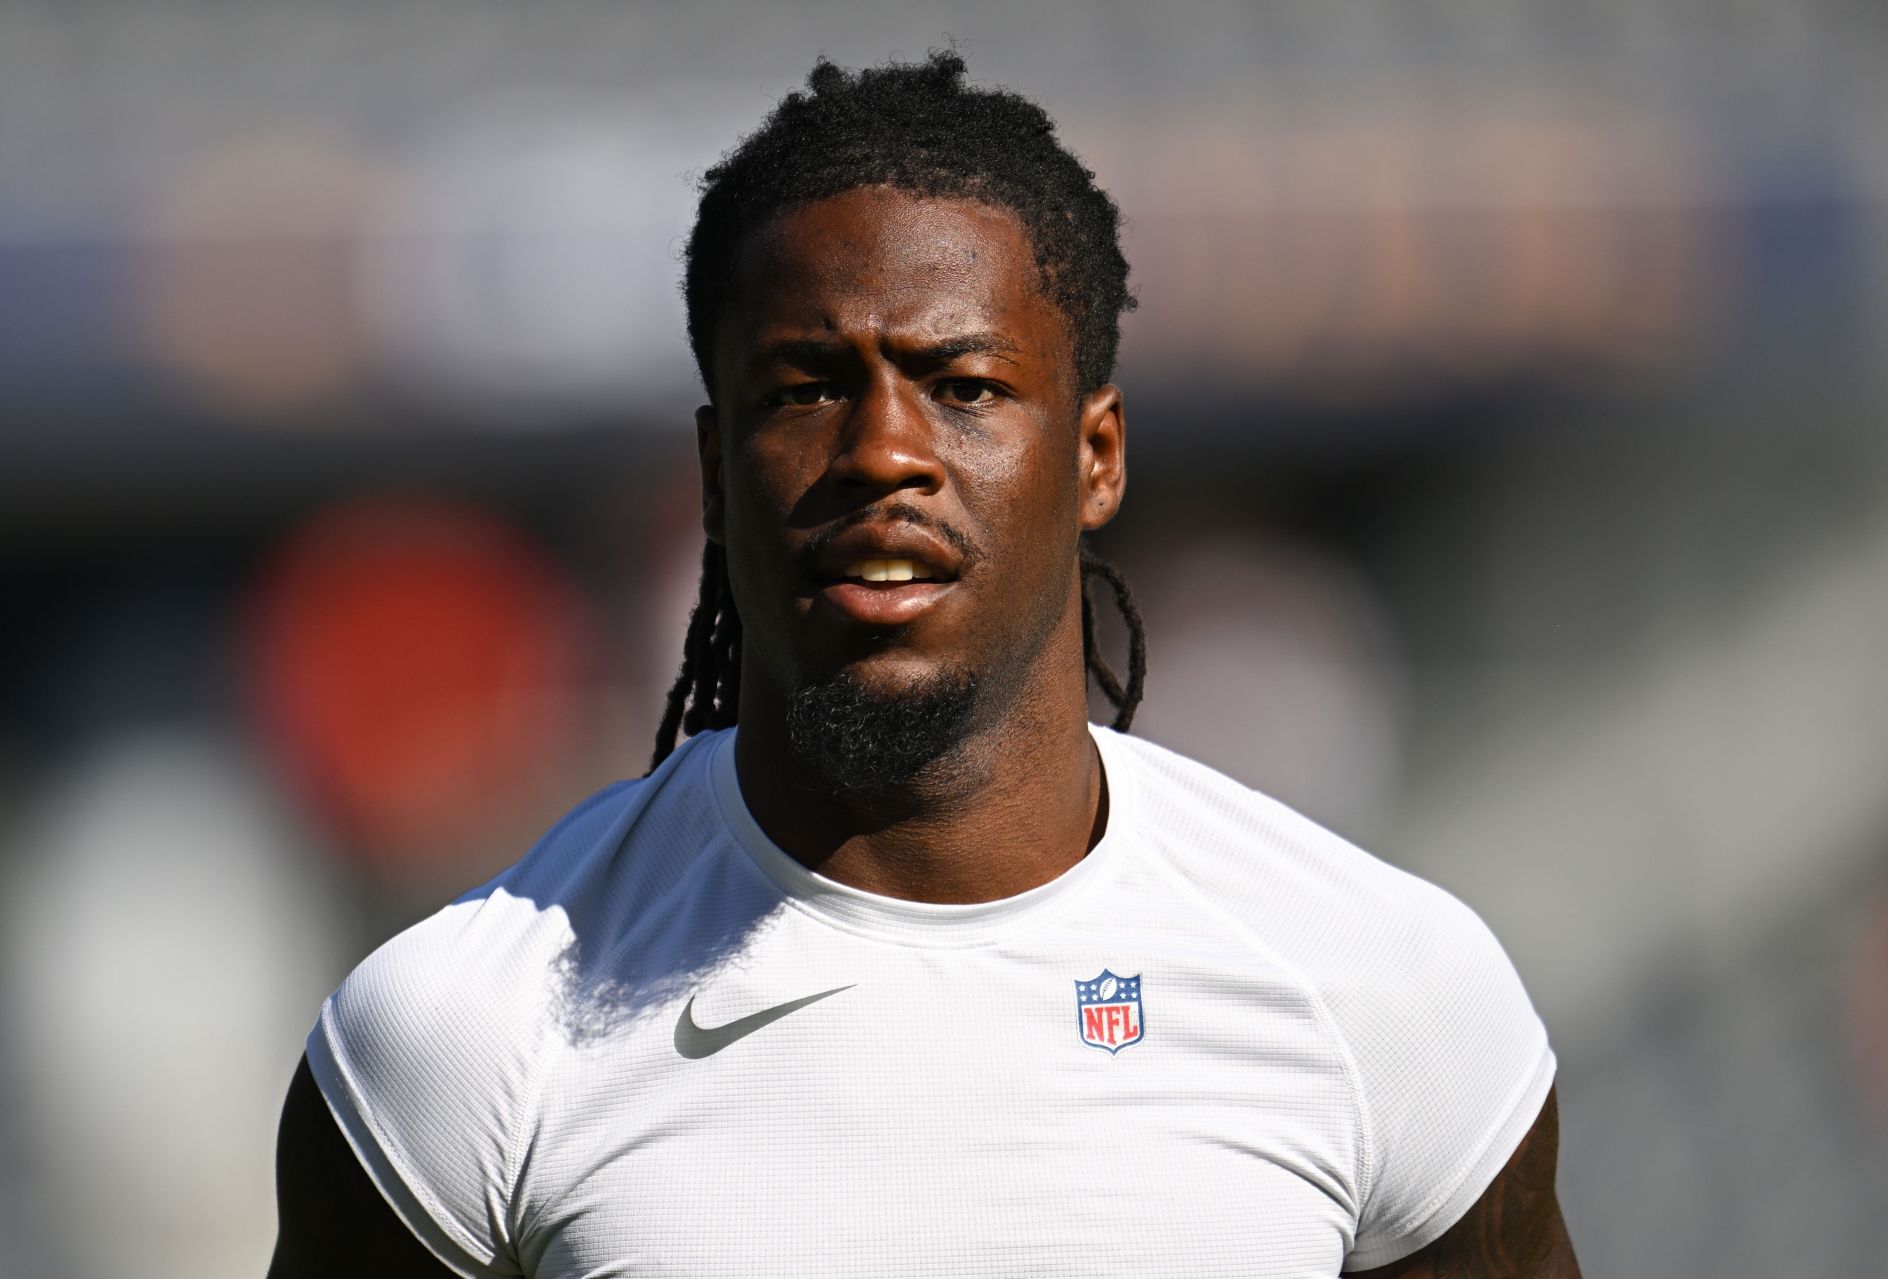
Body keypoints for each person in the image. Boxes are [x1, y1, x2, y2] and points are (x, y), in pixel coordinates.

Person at [269, 52, 1579, 1278]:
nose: (882, 451)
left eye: (962, 384)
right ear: (716, 471)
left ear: (1097, 457)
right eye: (806, 387)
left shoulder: (1382, 985)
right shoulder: (457, 1035)